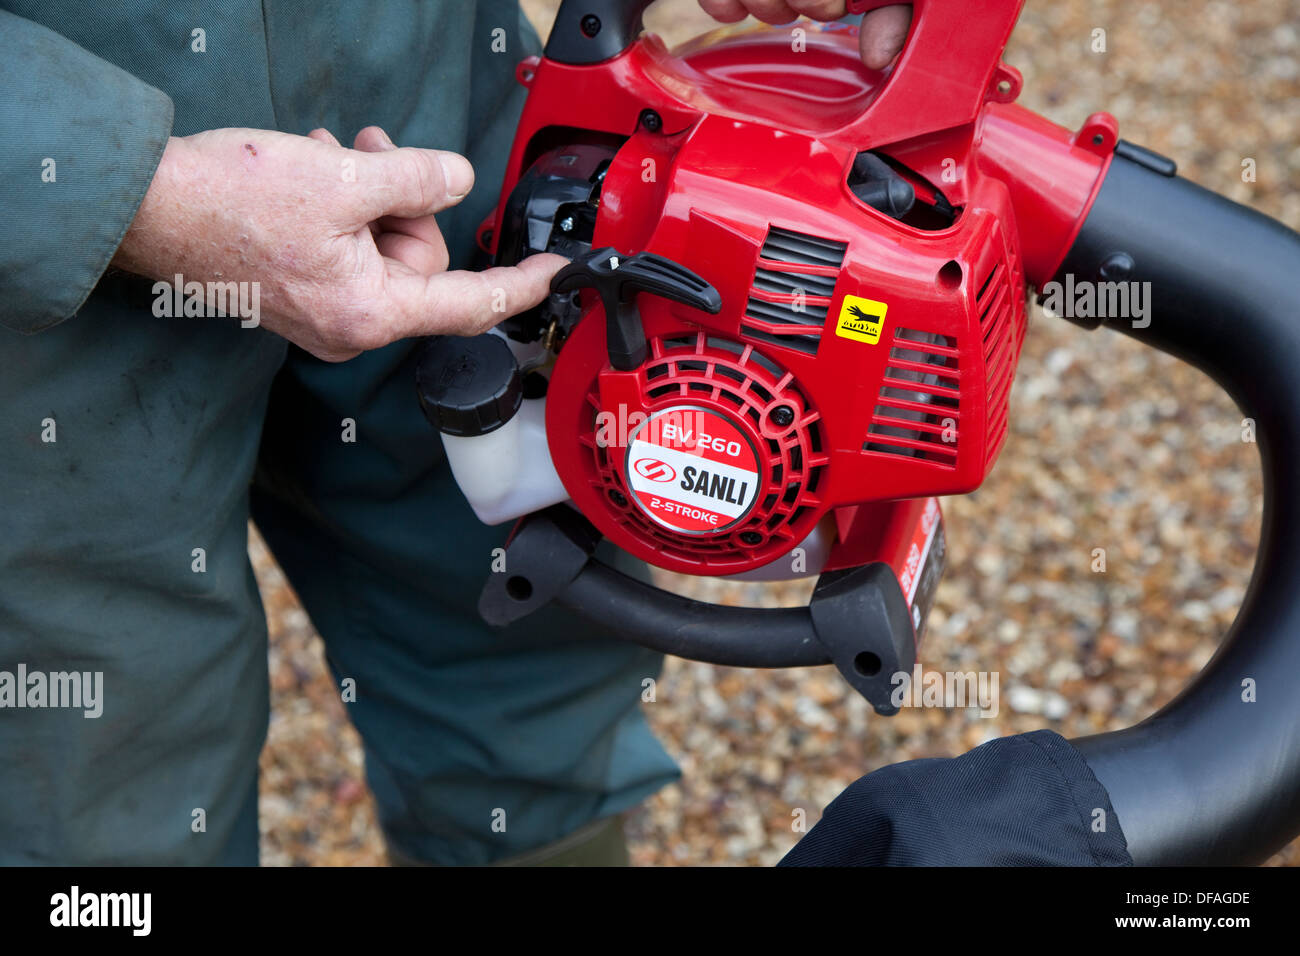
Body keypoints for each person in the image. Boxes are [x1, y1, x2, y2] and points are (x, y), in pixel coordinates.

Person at [0, 1, 910, 865]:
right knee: (88, 745)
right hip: (42, 250)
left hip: (421, 78)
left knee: (521, 645)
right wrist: (122, 182)